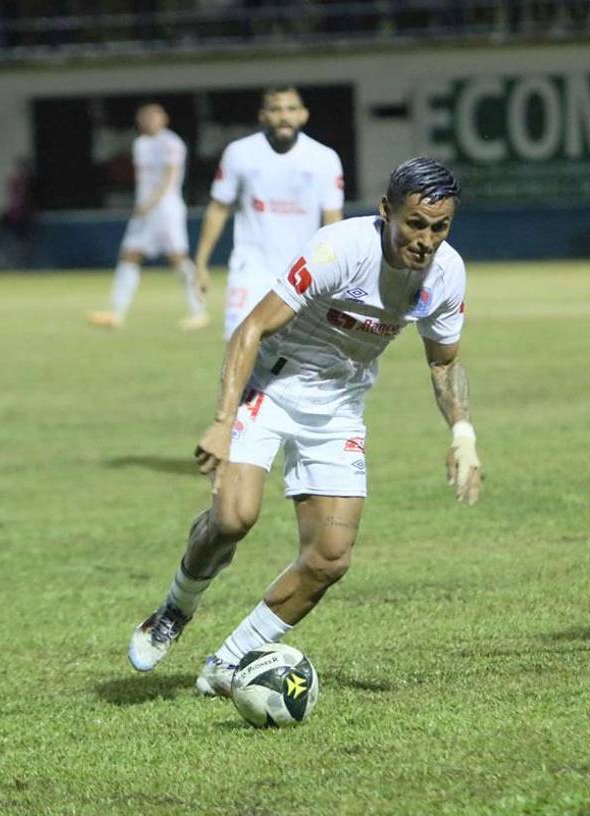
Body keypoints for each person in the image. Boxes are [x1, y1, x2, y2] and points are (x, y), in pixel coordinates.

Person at [127, 157, 481, 695]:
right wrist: (223, 422)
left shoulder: (447, 272)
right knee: (232, 519)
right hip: (271, 387)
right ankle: (176, 608)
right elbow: (251, 328)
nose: (426, 240)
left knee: (330, 558)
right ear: (386, 211)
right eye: (415, 223)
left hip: (339, 405)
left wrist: (463, 434)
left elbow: (444, 361)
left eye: (439, 227)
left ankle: (228, 663)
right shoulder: (338, 250)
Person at [193, 86, 344, 341]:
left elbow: (333, 219)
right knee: (240, 343)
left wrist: (336, 270)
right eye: (275, 109)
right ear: (263, 116)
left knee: (295, 352)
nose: (284, 116)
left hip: (303, 271)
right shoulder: (239, 153)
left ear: (303, 115)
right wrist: (201, 262)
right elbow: (219, 207)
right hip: (251, 268)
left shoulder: (324, 158)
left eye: (291, 109)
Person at [88, 103, 209, 330]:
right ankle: (116, 312)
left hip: (165, 209)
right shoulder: (140, 144)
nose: (148, 120)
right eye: (144, 117)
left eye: (154, 116)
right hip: (144, 210)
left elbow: (169, 177)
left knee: (178, 259)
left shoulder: (171, 143)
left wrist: (151, 203)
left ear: (164, 119)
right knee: (129, 256)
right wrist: (143, 205)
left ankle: (198, 311)